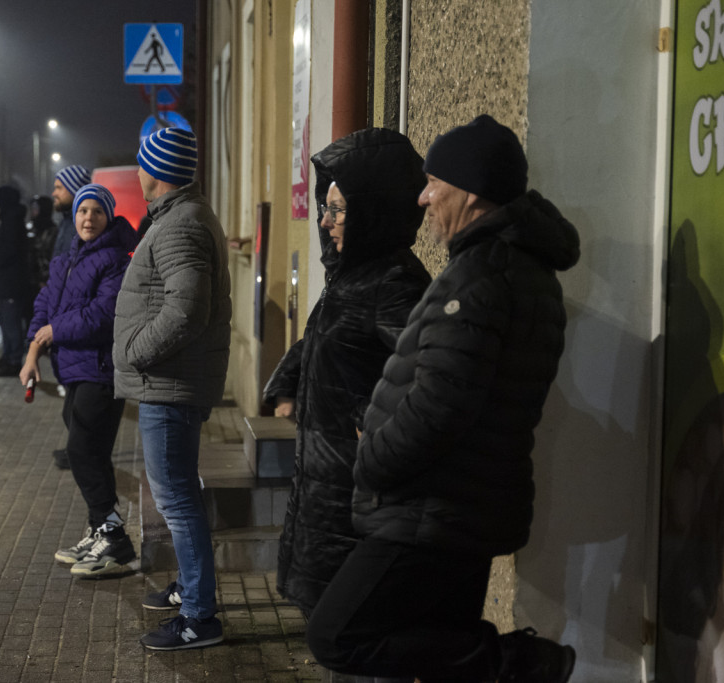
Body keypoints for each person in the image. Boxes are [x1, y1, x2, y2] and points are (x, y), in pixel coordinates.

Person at [305, 115, 581, 682]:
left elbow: (441, 406)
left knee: (336, 634)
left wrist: (372, 457)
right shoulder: (512, 269)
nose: (424, 197)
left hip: (433, 508)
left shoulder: (482, 277)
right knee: (441, 665)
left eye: (435, 184)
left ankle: (514, 662)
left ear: (472, 192)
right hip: (461, 506)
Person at [263, 128, 431, 618]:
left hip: (355, 487)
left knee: (353, 626)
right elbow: (325, 338)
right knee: (335, 624)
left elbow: (424, 375)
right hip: (326, 481)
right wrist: (289, 381)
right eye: (325, 207)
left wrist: (367, 419)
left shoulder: (394, 282)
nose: (325, 220)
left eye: (338, 209)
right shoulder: (353, 277)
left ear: (373, 211)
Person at [112, 127, 232, 650]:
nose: (137, 173)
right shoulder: (181, 218)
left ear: (155, 172)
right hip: (171, 383)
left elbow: (186, 311)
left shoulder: (180, 225)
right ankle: (190, 589)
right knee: (180, 494)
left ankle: (199, 617)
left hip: (170, 385)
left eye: (141, 164)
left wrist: (135, 350)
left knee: (178, 500)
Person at [20, 183, 140, 577]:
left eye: (97, 212)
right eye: (83, 211)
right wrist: (34, 349)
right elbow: (44, 305)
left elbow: (102, 315)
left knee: (81, 451)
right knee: (92, 453)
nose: (89, 218)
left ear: (108, 218)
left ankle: (114, 537)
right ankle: (99, 531)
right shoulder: (66, 260)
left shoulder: (115, 260)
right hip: (74, 371)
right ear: (75, 217)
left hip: (100, 370)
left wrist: (53, 331)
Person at [49, 164, 93, 467]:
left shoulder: (78, 226)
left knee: (77, 401)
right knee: (71, 396)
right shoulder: (67, 222)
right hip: (64, 317)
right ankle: (79, 451)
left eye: (59, 188)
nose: (54, 193)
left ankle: (83, 454)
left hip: (73, 320)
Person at [0, 185, 32, 377]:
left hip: (12, 283)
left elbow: (10, 253)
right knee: (6, 322)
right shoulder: (9, 219)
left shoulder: (12, 222)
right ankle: (7, 357)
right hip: (5, 281)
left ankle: (14, 361)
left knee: (12, 324)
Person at [27, 194, 56, 290]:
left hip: (44, 283)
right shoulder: (30, 229)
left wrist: (44, 279)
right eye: (32, 208)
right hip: (29, 281)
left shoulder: (52, 231)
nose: (33, 212)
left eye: (36, 208)